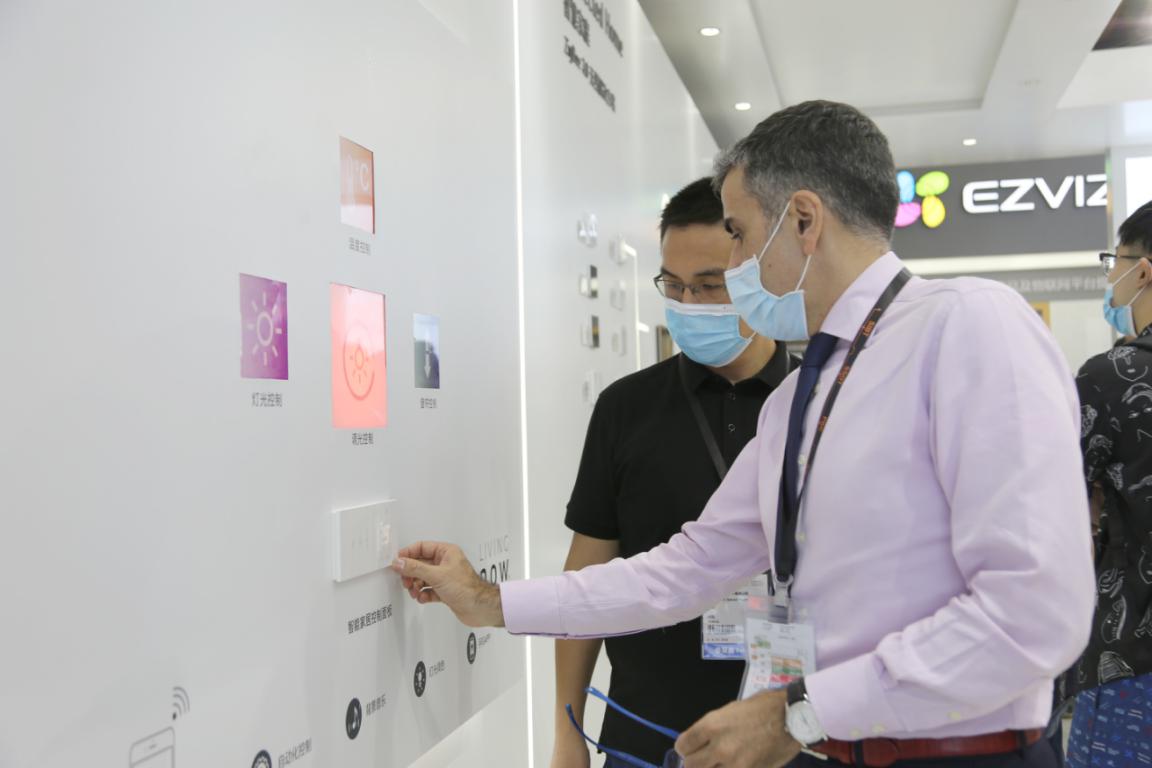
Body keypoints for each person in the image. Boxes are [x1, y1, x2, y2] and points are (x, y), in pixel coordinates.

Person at [393, 100, 1095, 768]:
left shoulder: (967, 326)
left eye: (737, 233)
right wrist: (491, 602)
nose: (733, 266)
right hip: (826, 746)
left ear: (804, 221)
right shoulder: (802, 395)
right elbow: (686, 569)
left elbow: (1033, 613)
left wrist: (797, 713)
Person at [553, 177, 794, 768]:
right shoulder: (626, 408)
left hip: (791, 734)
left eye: (709, 285)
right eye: (674, 285)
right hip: (647, 735)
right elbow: (587, 574)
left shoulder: (813, 401)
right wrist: (567, 729)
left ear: (756, 271)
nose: (689, 303)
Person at [1065, 200, 1152, 768]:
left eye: (1113, 262)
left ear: (1141, 271)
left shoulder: (1111, 377)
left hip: (1132, 659)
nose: (1110, 276)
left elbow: (1056, 504)